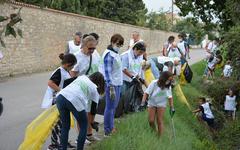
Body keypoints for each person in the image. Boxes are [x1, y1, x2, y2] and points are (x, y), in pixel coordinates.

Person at [56, 72, 105, 150]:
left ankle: (63, 148)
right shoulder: (94, 89)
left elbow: (67, 82)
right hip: (74, 100)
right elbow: (93, 110)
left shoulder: (82, 77)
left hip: (60, 97)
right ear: (100, 83)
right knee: (84, 126)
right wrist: (92, 123)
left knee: (65, 126)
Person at [41, 53, 77, 150]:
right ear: (68, 64)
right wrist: (61, 90)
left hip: (62, 99)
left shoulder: (66, 71)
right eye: (72, 66)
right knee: (57, 123)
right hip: (56, 100)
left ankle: (63, 141)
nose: (73, 68)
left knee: (63, 123)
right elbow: (50, 83)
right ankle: (53, 144)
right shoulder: (59, 71)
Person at [70, 34, 101, 143]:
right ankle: (81, 137)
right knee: (81, 113)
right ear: (83, 46)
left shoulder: (96, 54)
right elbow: (72, 73)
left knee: (91, 112)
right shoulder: (76, 56)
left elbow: (99, 69)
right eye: (90, 48)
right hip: (81, 89)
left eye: (94, 48)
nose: (92, 50)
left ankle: (89, 134)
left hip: (94, 88)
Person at [101, 34, 124, 136]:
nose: (118, 46)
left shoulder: (115, 53)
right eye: (117, 44)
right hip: (112, 85)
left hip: (117, 83)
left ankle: (111, 126)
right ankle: (107, 130)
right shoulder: (109, 54)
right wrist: (110, 87)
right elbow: (107, 72)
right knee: (110, 107)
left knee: (114, 107)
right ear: (112, 42)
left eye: (120, 44)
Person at [140, 71, 175, 136]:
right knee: (151, 121)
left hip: (161, 104)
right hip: (152, 102)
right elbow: (146, 93)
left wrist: (172, 107)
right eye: (168, 79)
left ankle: (160, 137)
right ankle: (154, 132)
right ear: (164, 78)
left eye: (170, 80)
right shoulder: (154, 83)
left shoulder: (168, 86)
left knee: (159, 120)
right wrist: (142, 103)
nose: (169, 81)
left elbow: (170, 97)